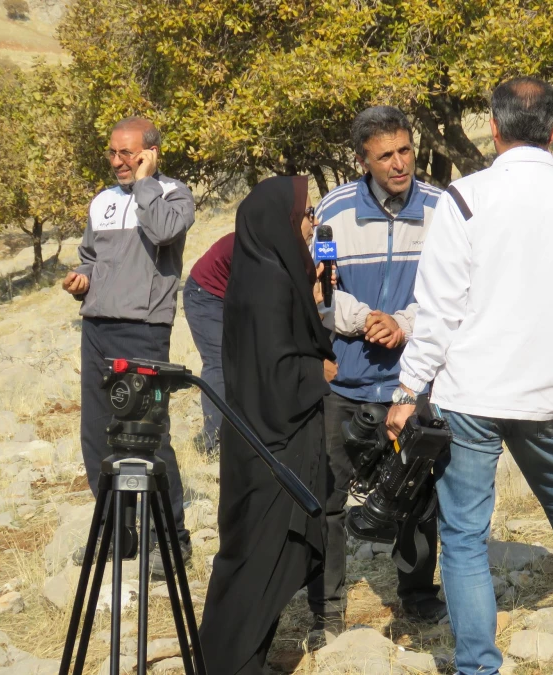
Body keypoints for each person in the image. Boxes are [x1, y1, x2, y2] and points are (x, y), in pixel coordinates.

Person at [386, 77, 553, 675]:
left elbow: (436, 312)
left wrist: (408, 389)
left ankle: (477, 665)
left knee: (464, 533)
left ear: (492, 128)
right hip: (542, 387)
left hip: (470, 390)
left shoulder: (463, 200)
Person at [307, 105, 447, 637]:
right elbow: (321, 295)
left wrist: (404, 325)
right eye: (385, 155)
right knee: (331, 500)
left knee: (419, 492)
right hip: (348, 381)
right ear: (363, 161)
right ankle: (328, 609)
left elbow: (452, 293)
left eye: (405, 150)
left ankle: (417, 595)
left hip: (414, 381)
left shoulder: (440, 209)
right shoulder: (335, 211)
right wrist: (365, 318)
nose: (399, 163)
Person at [199, 176, 337, 675]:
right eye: (304, 215)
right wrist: (316, 371)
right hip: (273, 446)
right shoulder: (269, 286)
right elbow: (274, 375)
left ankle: (241, 658)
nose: (310, 223)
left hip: (258, 441)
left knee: (255, 562)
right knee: (257, 562)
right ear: (278, 222)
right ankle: (231, 662)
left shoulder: (263, 272)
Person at [62, 116, 196, 576]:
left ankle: (171, 540)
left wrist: (144, 184)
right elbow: (91, 257)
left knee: (149, 436)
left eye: (128, 154)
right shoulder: (100, 202)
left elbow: (162, 233)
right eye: (113, 153)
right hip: (97, 327)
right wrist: (83, 280)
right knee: (98, 435)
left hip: (144, 330)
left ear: (151, 153)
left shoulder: (174, 194)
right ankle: (119, 535)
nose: (118, 162)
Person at [183, 232, 235, 457]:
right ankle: (211, 440)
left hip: (227, 295)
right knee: (218, 362)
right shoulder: (253, 243)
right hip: (204, 294)